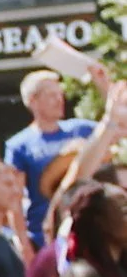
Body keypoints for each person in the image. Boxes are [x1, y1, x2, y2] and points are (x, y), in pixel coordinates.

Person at [6, 65, 115, 246]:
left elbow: (116, 126)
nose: (60, 100)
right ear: (33, 101)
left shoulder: (81, 130)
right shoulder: (19, 145)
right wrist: (25, 248)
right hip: (45, 235)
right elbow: (14, 201)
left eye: (60, 94)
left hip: (88, 225)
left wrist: (104, 88)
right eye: (51, 95)